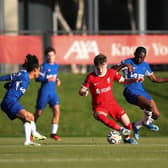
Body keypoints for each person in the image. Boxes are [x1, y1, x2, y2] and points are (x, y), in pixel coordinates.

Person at [79, 54, 143, 144]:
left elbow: (124, 81)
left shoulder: (111, 73)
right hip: (99, 106)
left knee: (128, 124)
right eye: (98, 68)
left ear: (106, 64)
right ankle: (120, 129)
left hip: (112, 104)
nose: (100, 70)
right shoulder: (91, 77)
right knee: (100, 116)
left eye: (102, 67)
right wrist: (83, 92)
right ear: (95, 66)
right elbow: (82, 89)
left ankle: (127, 138)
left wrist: (135, 80)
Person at [112, 46, 168, 140]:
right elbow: (112, 71)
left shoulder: (145, 65)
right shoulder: (127, 62)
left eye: (142, 57)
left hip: (141, 91)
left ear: (145, 57)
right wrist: (124, 65)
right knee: (149, 105)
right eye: (138, 56)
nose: (139, 59)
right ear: (134, 54)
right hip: (130, 91)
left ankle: (136, 126)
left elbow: (154, 79)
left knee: (156, 115)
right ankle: (146, 123)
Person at [0, 54, 46, 146]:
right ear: (35, 70)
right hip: (10, 101)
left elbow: (9, 84)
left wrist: (9, 86)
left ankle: (28, 141)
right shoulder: (23, 75)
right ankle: (35, 133)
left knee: (26, 120)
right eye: (39, 70)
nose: (39, 73)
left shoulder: (26, 79)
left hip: (10, 102)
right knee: (30, 117)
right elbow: (10, 76)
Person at [34, 47, 61, 141]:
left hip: (53, 93)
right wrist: (46, 79)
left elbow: (55, 76)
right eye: (49, 55)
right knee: (38, 113)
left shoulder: (56, 66)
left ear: (55, 56)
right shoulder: (43, 67)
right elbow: (37, 78)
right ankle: (31, 132)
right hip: (44, 92)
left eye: (52, 55)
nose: (50, 57)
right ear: (46, 56)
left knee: (57, 110)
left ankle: (53, 133)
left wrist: (57, 80)